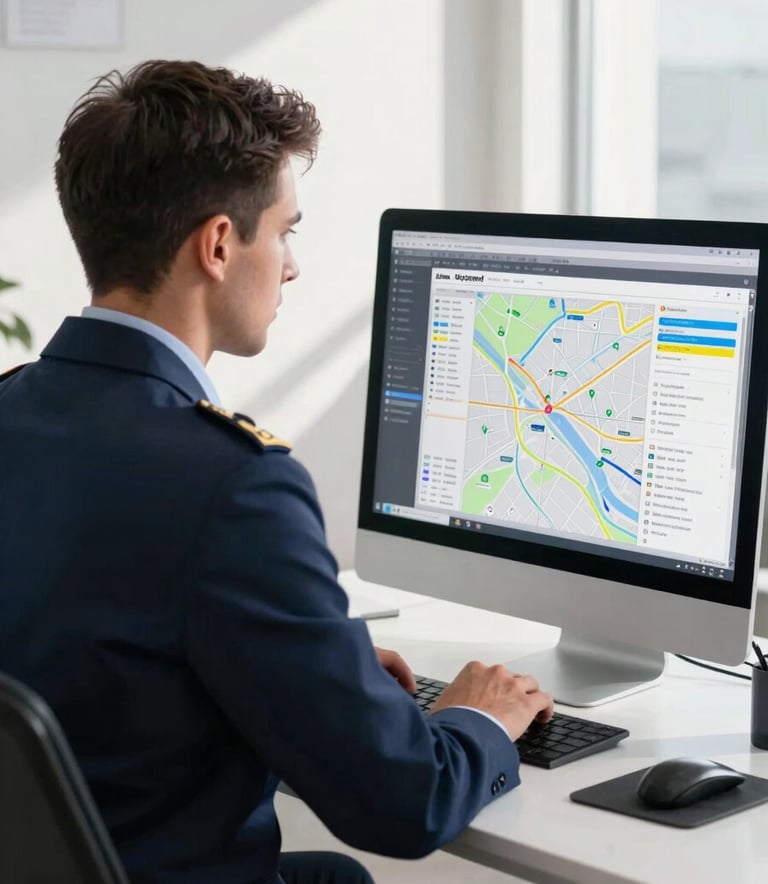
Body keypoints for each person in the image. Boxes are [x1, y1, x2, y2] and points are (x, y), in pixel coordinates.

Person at [0, 60, 553, 884]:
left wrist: (320, 668)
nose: (291, 265)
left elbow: (102, 654)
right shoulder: (233, 485)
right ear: (220, 244)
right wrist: (478, 718)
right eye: (286, 230)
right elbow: (405, 805)